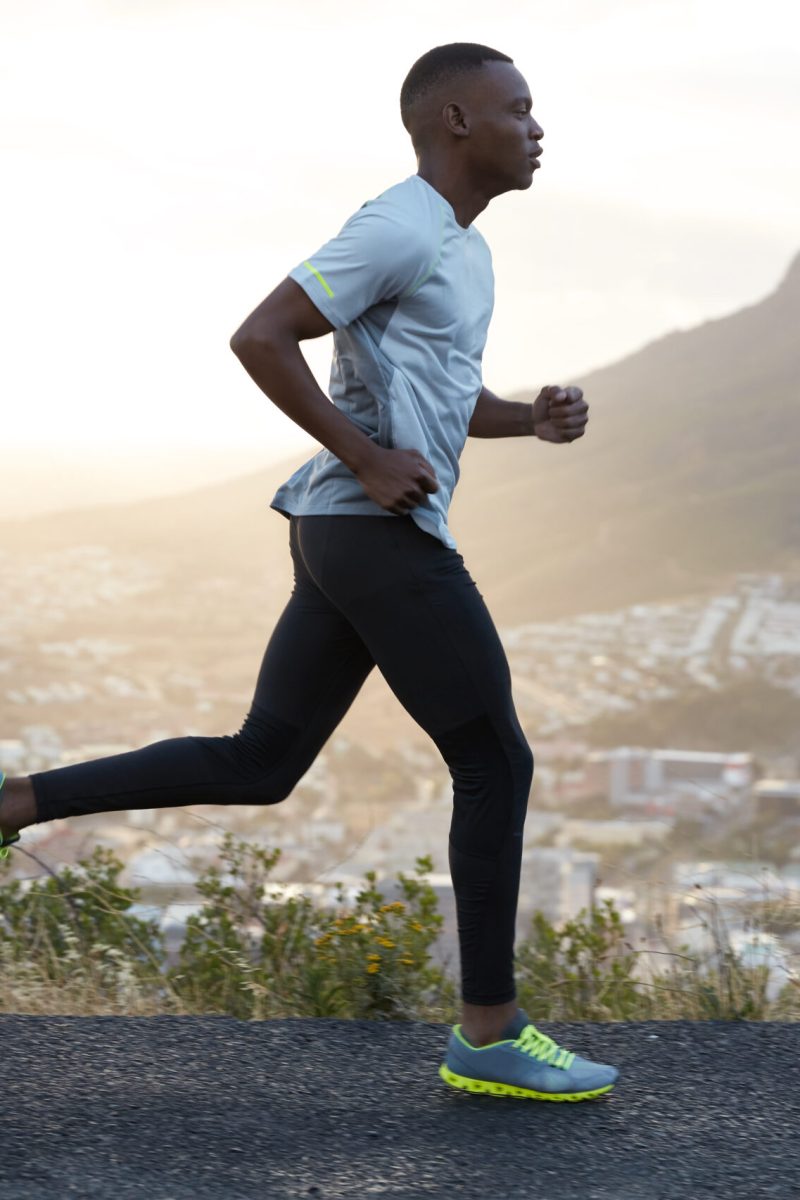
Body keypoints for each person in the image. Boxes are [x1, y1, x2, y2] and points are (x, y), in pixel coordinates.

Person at [1, 42, 619, 1101]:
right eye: (517, 107)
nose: (536, 125)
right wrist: (367, 458)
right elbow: (262, 334)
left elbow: (440, 394)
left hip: (344, 533)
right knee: (495, 762)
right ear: (455, 121)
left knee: (261, 761)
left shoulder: (463, 251)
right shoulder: (396, 222)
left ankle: (14, 801)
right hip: (371, 533)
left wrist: (529, 418)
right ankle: (488, 1034)